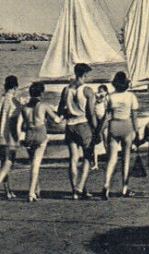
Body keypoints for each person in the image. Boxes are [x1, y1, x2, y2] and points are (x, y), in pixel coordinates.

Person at [57, 63, 99, 199]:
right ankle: (81, 186)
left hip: (70, 125)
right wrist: (96, 130)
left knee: (73, 158)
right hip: (83, 124)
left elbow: (60, 110)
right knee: (88, 157)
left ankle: (75, 191)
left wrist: (68, 111)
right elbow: (91, 113)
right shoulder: (87, 91)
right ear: (85, 74)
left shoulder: (66, 89)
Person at [19, 82, 61, 202]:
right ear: (42, 93)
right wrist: (63, 116)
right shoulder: (44, 105)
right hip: (40, 134)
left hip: (28, 134)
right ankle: (31, 193)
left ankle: (37, 190)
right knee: (36, 165)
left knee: (33, 163)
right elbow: (56, 120)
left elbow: (23, 125)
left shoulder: (25, 108)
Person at [100, 71, 139, 199]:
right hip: (127, 125)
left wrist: (100, 129)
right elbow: (134, 116)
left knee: (112, 158)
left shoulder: (110, 96)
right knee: (126, 158)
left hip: (114, 125)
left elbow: (107, 115)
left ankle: (106, 184)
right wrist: (137, 132)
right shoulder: (131, 96)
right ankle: (124, 188)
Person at [0, 75, 23, 202]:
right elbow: (14, 123)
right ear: (15, 87)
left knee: (4, 163)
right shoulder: (15, 103)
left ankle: (7, 190)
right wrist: (17, 138)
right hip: (9, 136)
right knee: (9, 162)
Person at [92, 85, 110, 170]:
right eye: (99, 91)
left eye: (102, 91)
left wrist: (102, 126)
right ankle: (95, 164)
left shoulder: (106, 100)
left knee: (106, 142)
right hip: (97, 122)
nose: (100, 93)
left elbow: (107, 114)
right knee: (95, 143)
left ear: (106, 92)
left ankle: (109, 161)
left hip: (105, 123)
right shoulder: (96, 100)